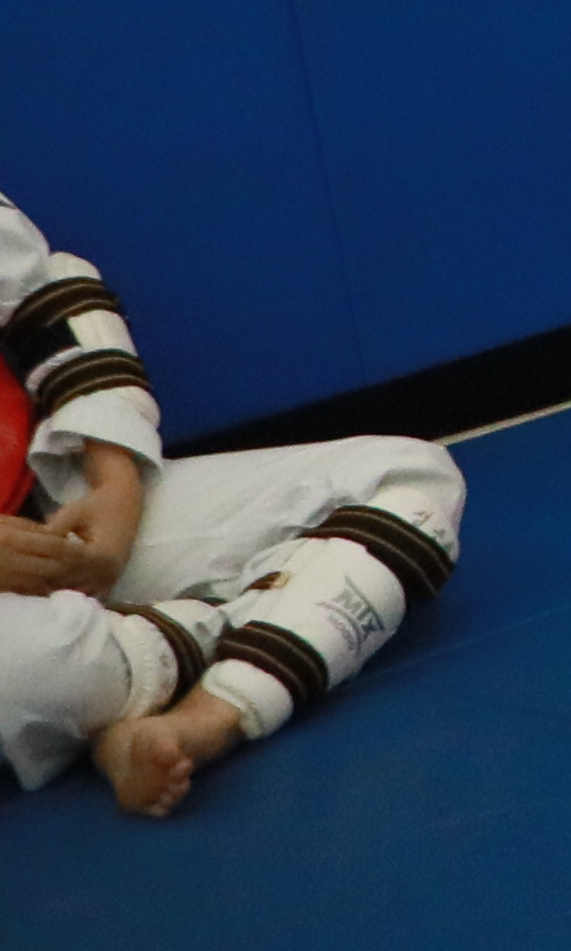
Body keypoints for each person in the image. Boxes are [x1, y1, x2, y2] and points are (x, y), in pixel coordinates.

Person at [1, 192, 459, 820]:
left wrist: (114, 482)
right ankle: (233, 626)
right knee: (32, 670)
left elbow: (44, 296)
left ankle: (204, 715)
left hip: (53, 515)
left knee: (407, 478)